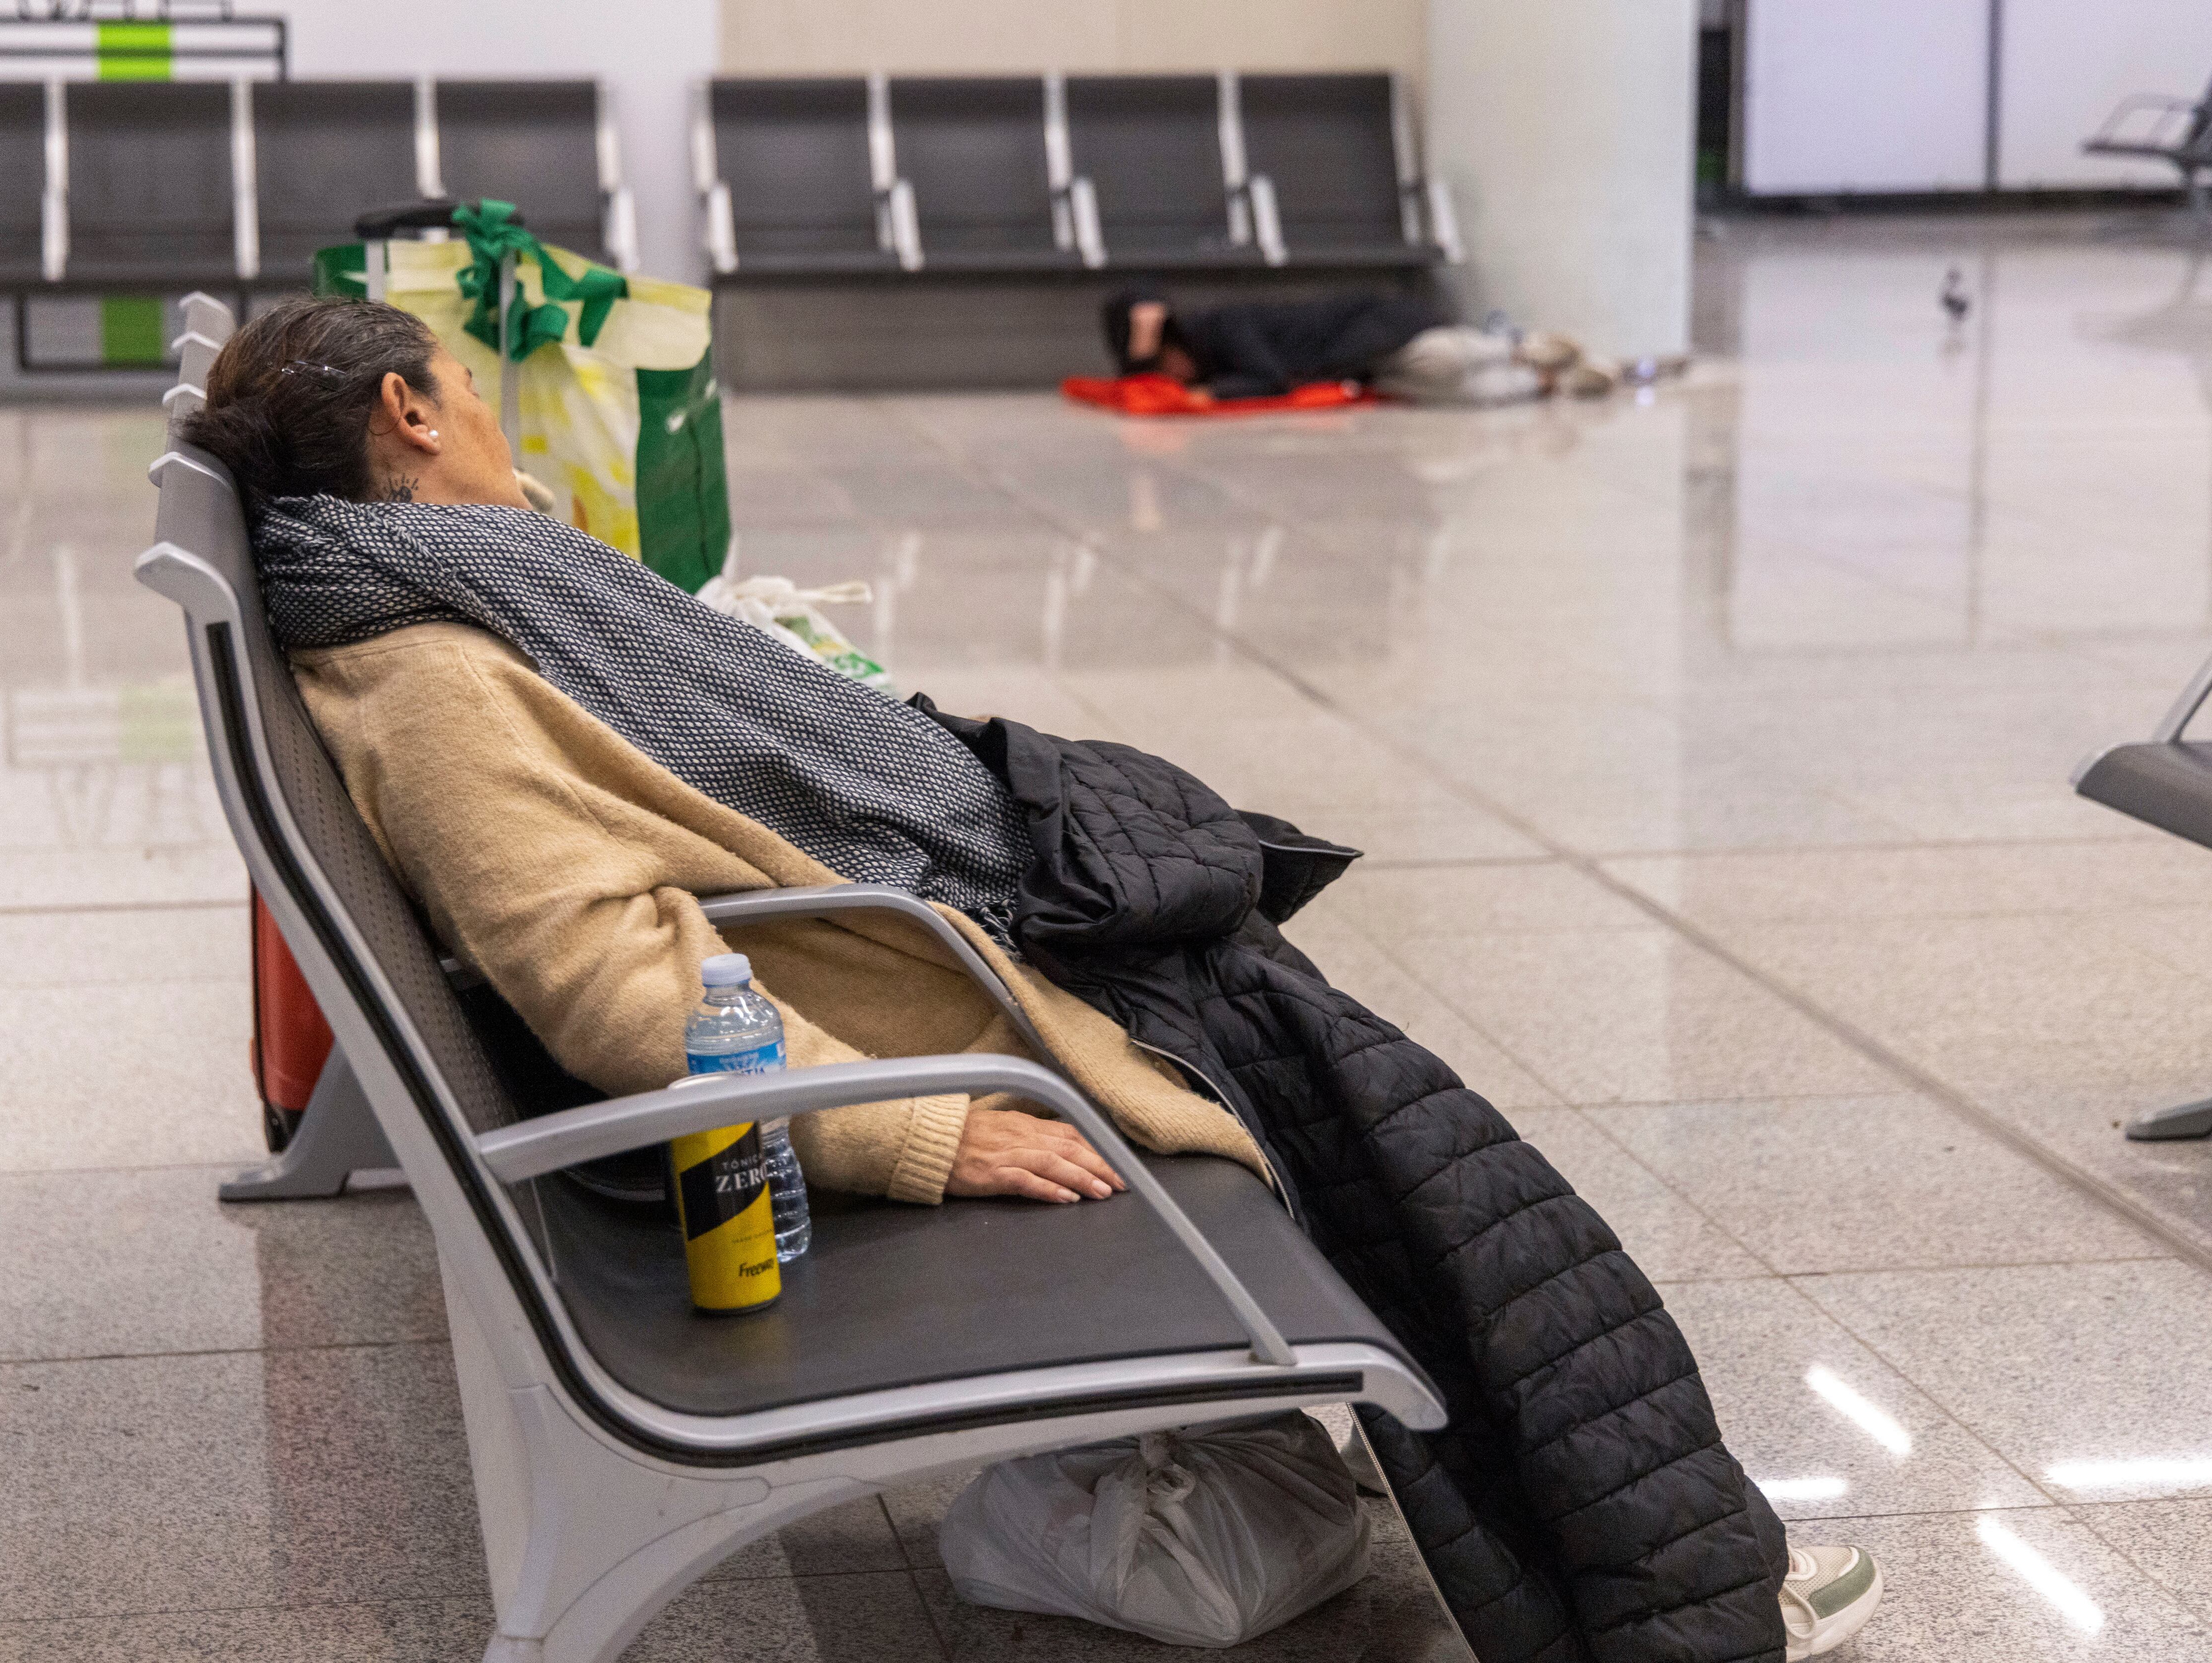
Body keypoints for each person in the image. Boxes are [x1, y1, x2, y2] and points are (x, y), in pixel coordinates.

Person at [179, 296, 1880, 1663]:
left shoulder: (431, 593)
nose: (495, 420)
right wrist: (914, 1130)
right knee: (1421, 1168)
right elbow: (601, 965)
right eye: (473, 392)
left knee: (1379, 1116)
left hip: (940, 960)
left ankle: (1657, 1549)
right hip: (936, 1025)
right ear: (409, 414)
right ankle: (1688, 1592)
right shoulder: (432, 677)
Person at [1102, 287, 1621, 404]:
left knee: (1435, 360)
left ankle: (1518, 348)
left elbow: (1268, 379)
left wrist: (1209, 395)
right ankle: (1545, 381)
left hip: (1374, 332)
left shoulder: (1223, 328)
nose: (1169, 380)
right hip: (1362, 370)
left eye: (1162, 366)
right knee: (1451, 395)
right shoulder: (1211, 355)